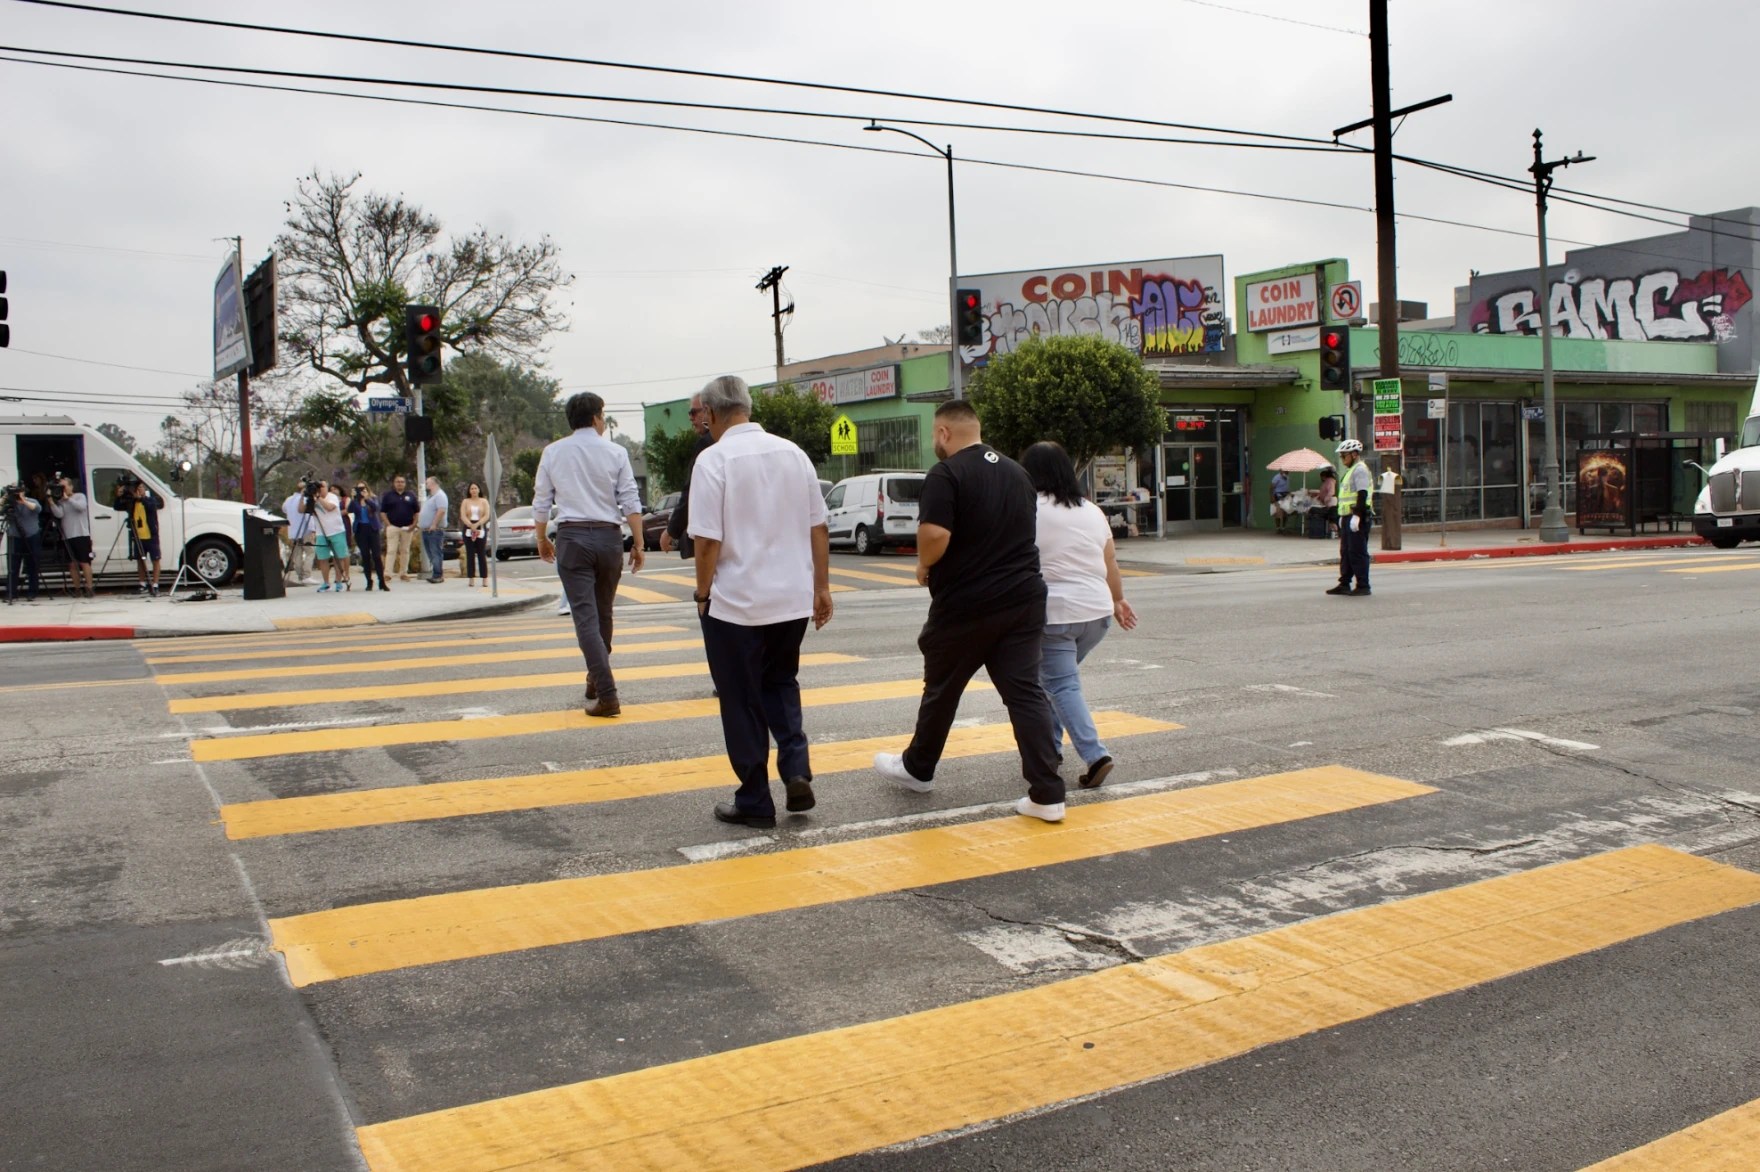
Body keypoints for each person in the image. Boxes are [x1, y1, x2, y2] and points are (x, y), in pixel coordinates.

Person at [872, 400, 1066, 823]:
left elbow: (935, 533)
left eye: (933, 435)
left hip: (968, 604)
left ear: (944, 433)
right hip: (1023, 599)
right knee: (1025, 693)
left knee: (942, 689)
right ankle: (1047, 794)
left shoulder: (947, 473)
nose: (933, 443)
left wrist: (924, 563)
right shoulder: (1018, 473)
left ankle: (918, 769)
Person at [686, 375, 834, 828]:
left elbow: (707, 541)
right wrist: (822, 589)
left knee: (740, 699)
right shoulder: (794, 454)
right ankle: (795, 768)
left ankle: (754, 800)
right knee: (781, 682)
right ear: (747, 407)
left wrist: (703, 593)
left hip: (736, 604)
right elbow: (818, 527)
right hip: (790, 600)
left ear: (710, 414)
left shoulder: (713, 461)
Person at [1022, 441, 1138, 791]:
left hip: (1055, 614)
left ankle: (1095, 755)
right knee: (1056, 684)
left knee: (1060, 684)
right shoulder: (1091, 510)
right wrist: (1118, 600)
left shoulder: (1028, 508)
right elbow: (1110, 562)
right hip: (1097, 615)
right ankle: (1051, 748)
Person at [534, 392, 645, 716]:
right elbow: (630, 501)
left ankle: (606, 691)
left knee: (585, 617)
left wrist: (541, 538)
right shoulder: (616, 452)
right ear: (597, 418)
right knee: (604, 613)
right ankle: (596, 680)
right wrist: (637, 544)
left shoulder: (553, 452)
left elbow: (542, 502)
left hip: (572, 537)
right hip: (609, 538)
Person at [661, 392, 714, 557]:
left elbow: (692, 491)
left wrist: (671, 531)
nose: (691, 418)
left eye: (694, 412)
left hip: (711, 533)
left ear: (708, 411)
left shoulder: (706, 443)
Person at [1327, 438, 1375, 597]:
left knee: (1357, 551)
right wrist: (1343, 516)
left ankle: (1363, 585)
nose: (1342, 459)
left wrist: (1357, 516)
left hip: (1358, 517)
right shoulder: (1351, 470)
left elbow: (1362, 494)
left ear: (1354, 454)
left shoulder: (1360, 469)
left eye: (1344, 456)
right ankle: (1344, 583)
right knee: (1346, 552)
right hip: (1348, 516)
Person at [48, 476, 93, 598]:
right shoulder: (61, 501)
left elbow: (81, 507)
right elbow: (59, 514)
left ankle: (89, 588)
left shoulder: (79, 496)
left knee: (84, 562)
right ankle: (77, 588)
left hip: (81, 534)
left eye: (64, 486)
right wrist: (52, 502)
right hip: (67, 536)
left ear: (71, 486)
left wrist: (68, 499)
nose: (63, 489)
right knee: (72, 564)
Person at [304, 480, 349, 592]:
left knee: (338, 557)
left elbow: (329, 507)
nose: (320, 489)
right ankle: (326, 582)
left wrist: (318, 498)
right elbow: (303, 510)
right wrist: (305, 497)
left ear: (327, 488)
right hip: (320, 532)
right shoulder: (313, 499)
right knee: (323, 558)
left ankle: (338, 582)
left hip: (336, 531)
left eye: (322, 487)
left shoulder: (332, 497)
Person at [125, 479, 164, 597]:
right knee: (140, 560)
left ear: (145, 490)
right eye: (137, 488)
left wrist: (141, 497)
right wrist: (121, 494)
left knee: (155, 559)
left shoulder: (149, 500)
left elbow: (152, 507)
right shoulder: (132, 502)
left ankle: (155, 584)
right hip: (138, 536)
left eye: (141, 487)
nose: (139, 490)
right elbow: (117, 506)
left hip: (150, 535)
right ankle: (142, 584)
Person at [4, 483, 42, 603]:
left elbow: (37, 509)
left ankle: (32, 592)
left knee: (32, 565)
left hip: (32, 536)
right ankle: (11, 593)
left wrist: (22, 500)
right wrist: (5, 496)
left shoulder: (32, 501)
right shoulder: (9, 503)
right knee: (13, 567)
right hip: (15, 537)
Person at [350, 482, 388, 591]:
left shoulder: (373, 498)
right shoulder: (355, 501)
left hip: (372, 529)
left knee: (376, 556)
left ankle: (381, 581)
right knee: (365, 556)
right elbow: (350, 510)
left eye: (363, 488)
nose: (361, 490)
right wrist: (353, 498)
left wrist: (367, 498)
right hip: (361, 529)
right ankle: (369, 581)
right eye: (359, 488)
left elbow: (376, 508)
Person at [380, 474, 420, 581]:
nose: (400, 483)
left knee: (405, 550)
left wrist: (414, 525)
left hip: (408, 527)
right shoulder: (388, 496)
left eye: (402, 482)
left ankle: (403, 573)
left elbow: (417, 512)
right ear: (394, 483)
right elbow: (383, 512)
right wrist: (388, 524)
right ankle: (388, 573)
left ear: (405, 484)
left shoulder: (411, 496)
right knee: (391, 550)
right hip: (393, 527)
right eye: (398, 481)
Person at [281, 480, 317, 584]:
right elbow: (307, 515)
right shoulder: (305, 499)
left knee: (297, 554)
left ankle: (300, 576)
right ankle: (307, 575)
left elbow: (284, 509)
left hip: (293, 530)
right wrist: (313, 529)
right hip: (305, 530)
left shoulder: (288, 499)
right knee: (310, 552)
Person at [419, 477, 450, 584]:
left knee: (435, 552)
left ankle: (438, 575)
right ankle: (435, 573)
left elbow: (441, 511)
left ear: (434, 483)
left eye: (427, 483)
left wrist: (434, 524)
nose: (426, 484)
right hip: (426, 530)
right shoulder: (430, 496)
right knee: (430, 553)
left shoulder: (440, 495)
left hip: (435, 530)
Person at [460, 483, 491, 587]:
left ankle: (484, 578)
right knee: (470, 553)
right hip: (469, 526)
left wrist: (477, 524)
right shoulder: (466, 501)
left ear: (479, 490)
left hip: (480, 526)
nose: (473, 490)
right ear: (469, 491)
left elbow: (487, 515)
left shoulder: (484, 501)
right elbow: (463, 515)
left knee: (481, 553)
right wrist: (470, 525)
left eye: (475, 488)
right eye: (471, 488)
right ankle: (471, 578)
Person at [1315, 467, 1339, 537]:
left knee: (1332, 518)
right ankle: (1332, 532)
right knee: (1330, 518)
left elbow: (1331, 492)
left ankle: (1335, 532)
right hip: (1328, 502)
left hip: (1331, 502)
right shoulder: (1328, 482)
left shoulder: (1330, 481)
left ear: (1324, 476)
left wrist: (1325, 499)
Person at [1270, 468, 1291, 533]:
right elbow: (1271, 488)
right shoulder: (1276, 478)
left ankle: (1284, 528)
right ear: (1281, 471)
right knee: (1278, 513)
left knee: (1285, 512)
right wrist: (1272, 497)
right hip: (1278, 496)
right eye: (1285, 471)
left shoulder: (1287, 477)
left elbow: (1286, 487)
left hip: (1285, 495)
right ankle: (1278, 528)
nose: (1287, 472)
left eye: (1288, 471)